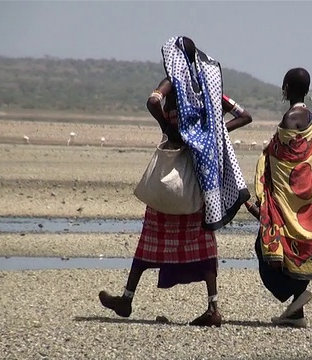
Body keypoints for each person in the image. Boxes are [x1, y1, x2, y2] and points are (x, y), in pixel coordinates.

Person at [98, 36, 252, 327]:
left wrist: (168, 127)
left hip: (172, 174)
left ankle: (127, 299)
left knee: (152, 236)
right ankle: (213, 308)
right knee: (203, 240)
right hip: (201, 177)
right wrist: (213, 134)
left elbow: (152, 100)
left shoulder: (172, 84)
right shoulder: (209, 89)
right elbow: (244, 115)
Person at [246, 67, 312, 328]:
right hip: (310, 197)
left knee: (266, 247)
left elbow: (280, 157)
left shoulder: (289, 118)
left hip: (287, 198)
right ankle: (295, 312)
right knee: (300, 247)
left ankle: (296, 296)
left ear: (286, 88)